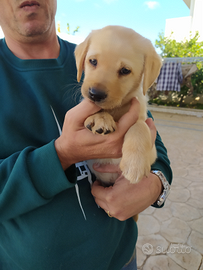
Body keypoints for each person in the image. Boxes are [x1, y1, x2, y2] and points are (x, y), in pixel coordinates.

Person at [0, 1, 172, 269]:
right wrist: (61, 155)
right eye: (93, 63)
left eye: (124, 71)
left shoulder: (100, 48)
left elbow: (152, 140)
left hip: (120, 259)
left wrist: (156, 184)